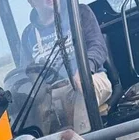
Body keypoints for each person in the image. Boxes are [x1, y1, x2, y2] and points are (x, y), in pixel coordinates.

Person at [20, 0, 113, 129]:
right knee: (29, 110)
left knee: (80, 90)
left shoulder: (79, 13)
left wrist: (84, 70)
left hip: (90, 78)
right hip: (51, 93)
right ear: (31, 2)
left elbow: (98, 47)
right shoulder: (28, 35)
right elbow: (27, 72)